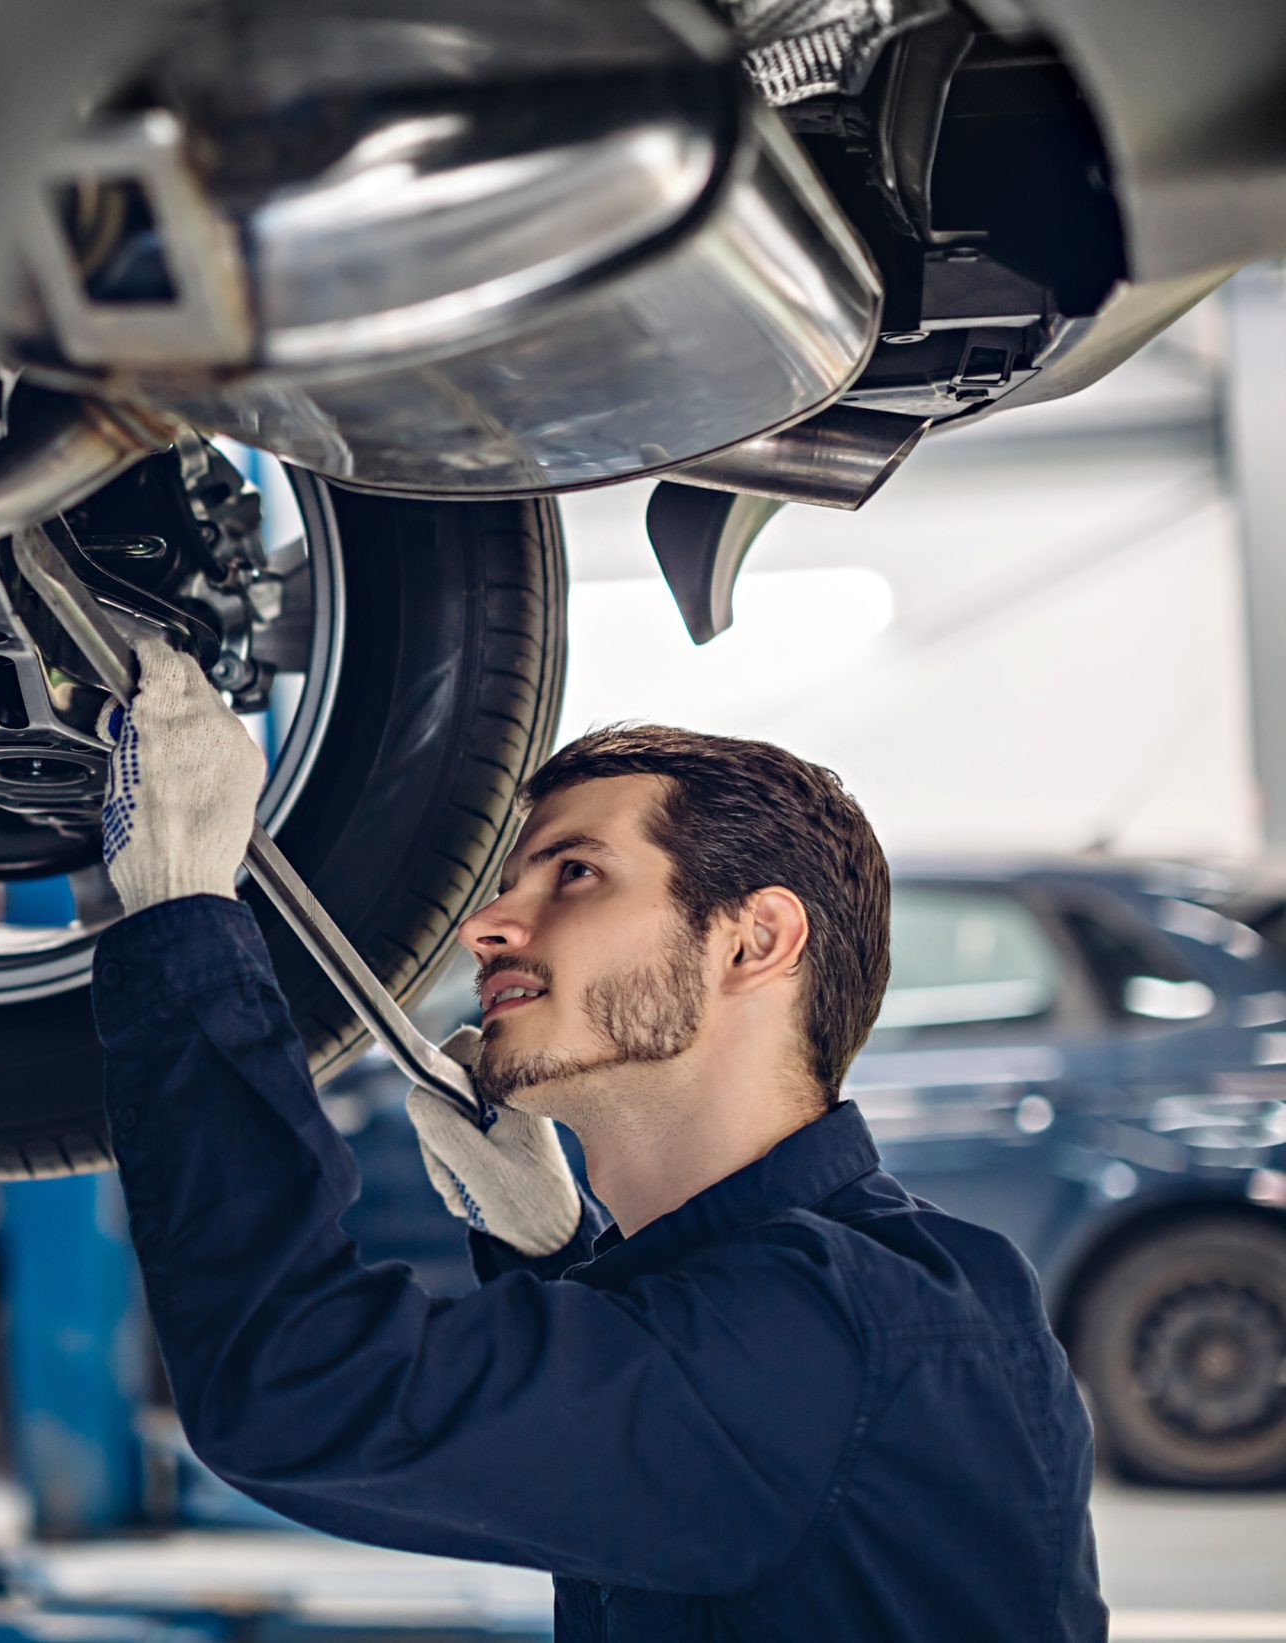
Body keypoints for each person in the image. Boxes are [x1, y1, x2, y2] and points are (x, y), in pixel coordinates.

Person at [90, 641, 1107, 1641]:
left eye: (573, 873)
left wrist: (184, 913)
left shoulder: (826, 1333)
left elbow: (295, 1389)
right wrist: (556, 1256)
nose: (484, 924)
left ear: (754, 941)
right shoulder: (885, 1292)